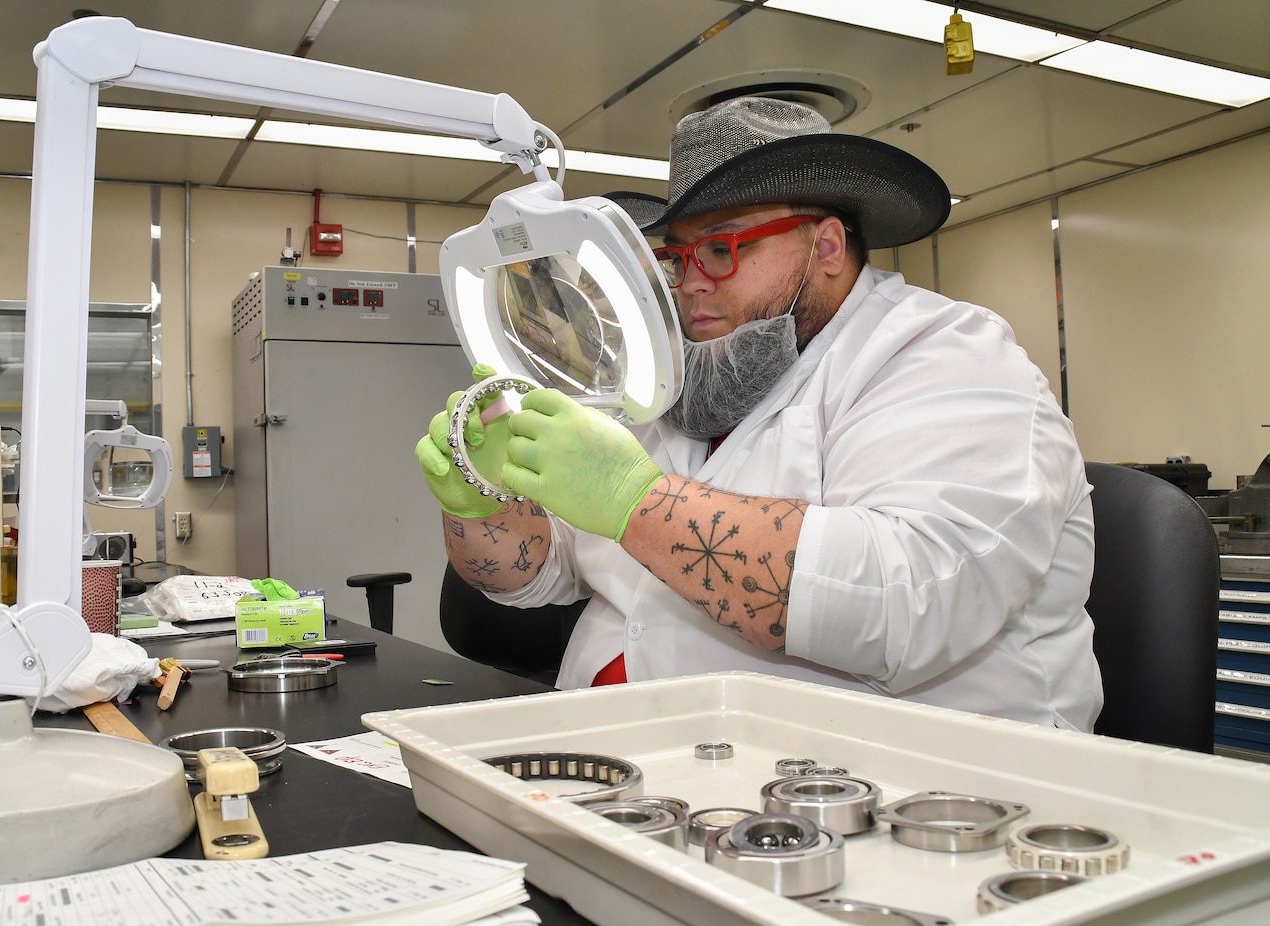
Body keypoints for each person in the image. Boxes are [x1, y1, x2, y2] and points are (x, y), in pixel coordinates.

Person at [415, 97, 1102, 730]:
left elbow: (904, 604)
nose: (693, 287)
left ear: (825, 247)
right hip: (631, 771)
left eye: (723, 247)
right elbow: (541, 574)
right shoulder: (686, 379)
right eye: (679, 258)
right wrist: (483, 502)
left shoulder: (948, 358)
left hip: (899, 803)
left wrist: (636, 501)